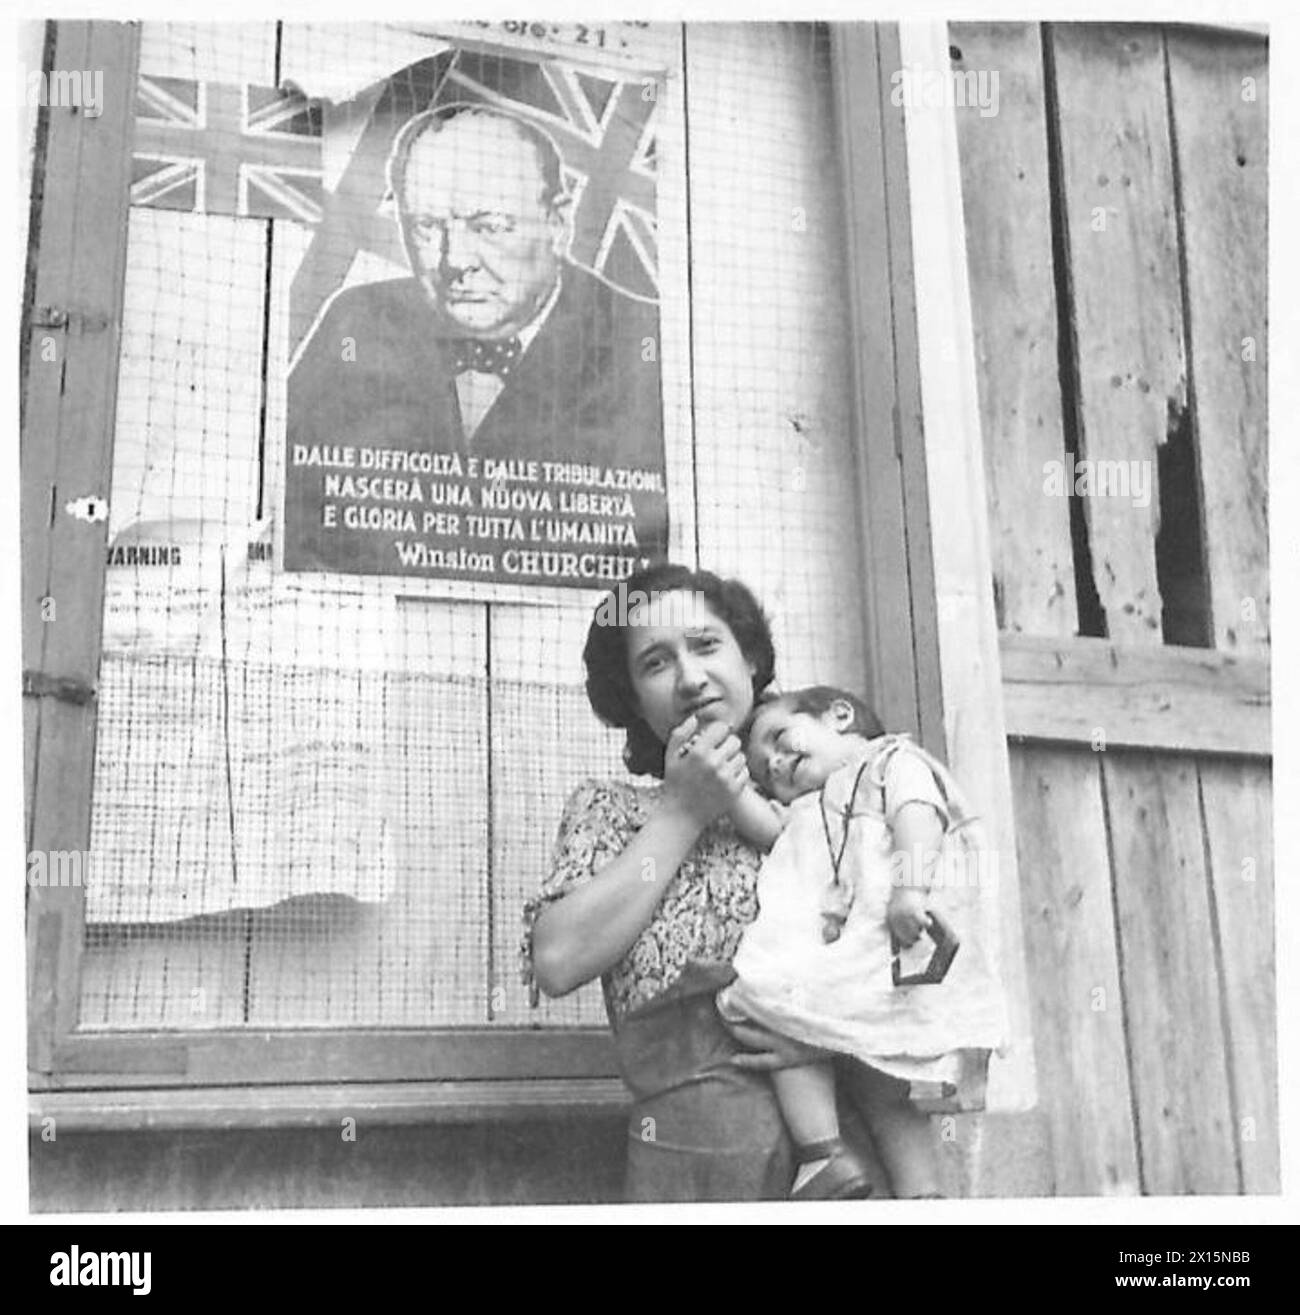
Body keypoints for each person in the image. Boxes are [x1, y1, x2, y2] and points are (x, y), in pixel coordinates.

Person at [521, 562, 819, 1202]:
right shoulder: (610, 814)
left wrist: (823, 1041)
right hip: (695, 1168)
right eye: (656, 663)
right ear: (630, 698)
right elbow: (557, 960)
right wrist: (681, 811)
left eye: (707, 645)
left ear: (751, 659)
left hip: (845, 1144)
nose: (690, 677)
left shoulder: (828, 805)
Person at [716, 686, 1009, 1200]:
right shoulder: (810, 809)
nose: (777, 764)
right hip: (844, 964)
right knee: (866, 1079)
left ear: (840, 715)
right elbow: (766, 828)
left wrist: (910, 890)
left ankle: (855, 1168)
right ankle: (834, 1160)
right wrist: (723, 781)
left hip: (882, 949)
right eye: (766, 772)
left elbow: (919, 817)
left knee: (769, 1007)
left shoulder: (890, 763)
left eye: (780, 739)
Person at [286, 103, 662, 466]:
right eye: (427, 226)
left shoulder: (641, 340)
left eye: (490, 227)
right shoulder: (358, 322)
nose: (456, 261)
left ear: (557, 223)